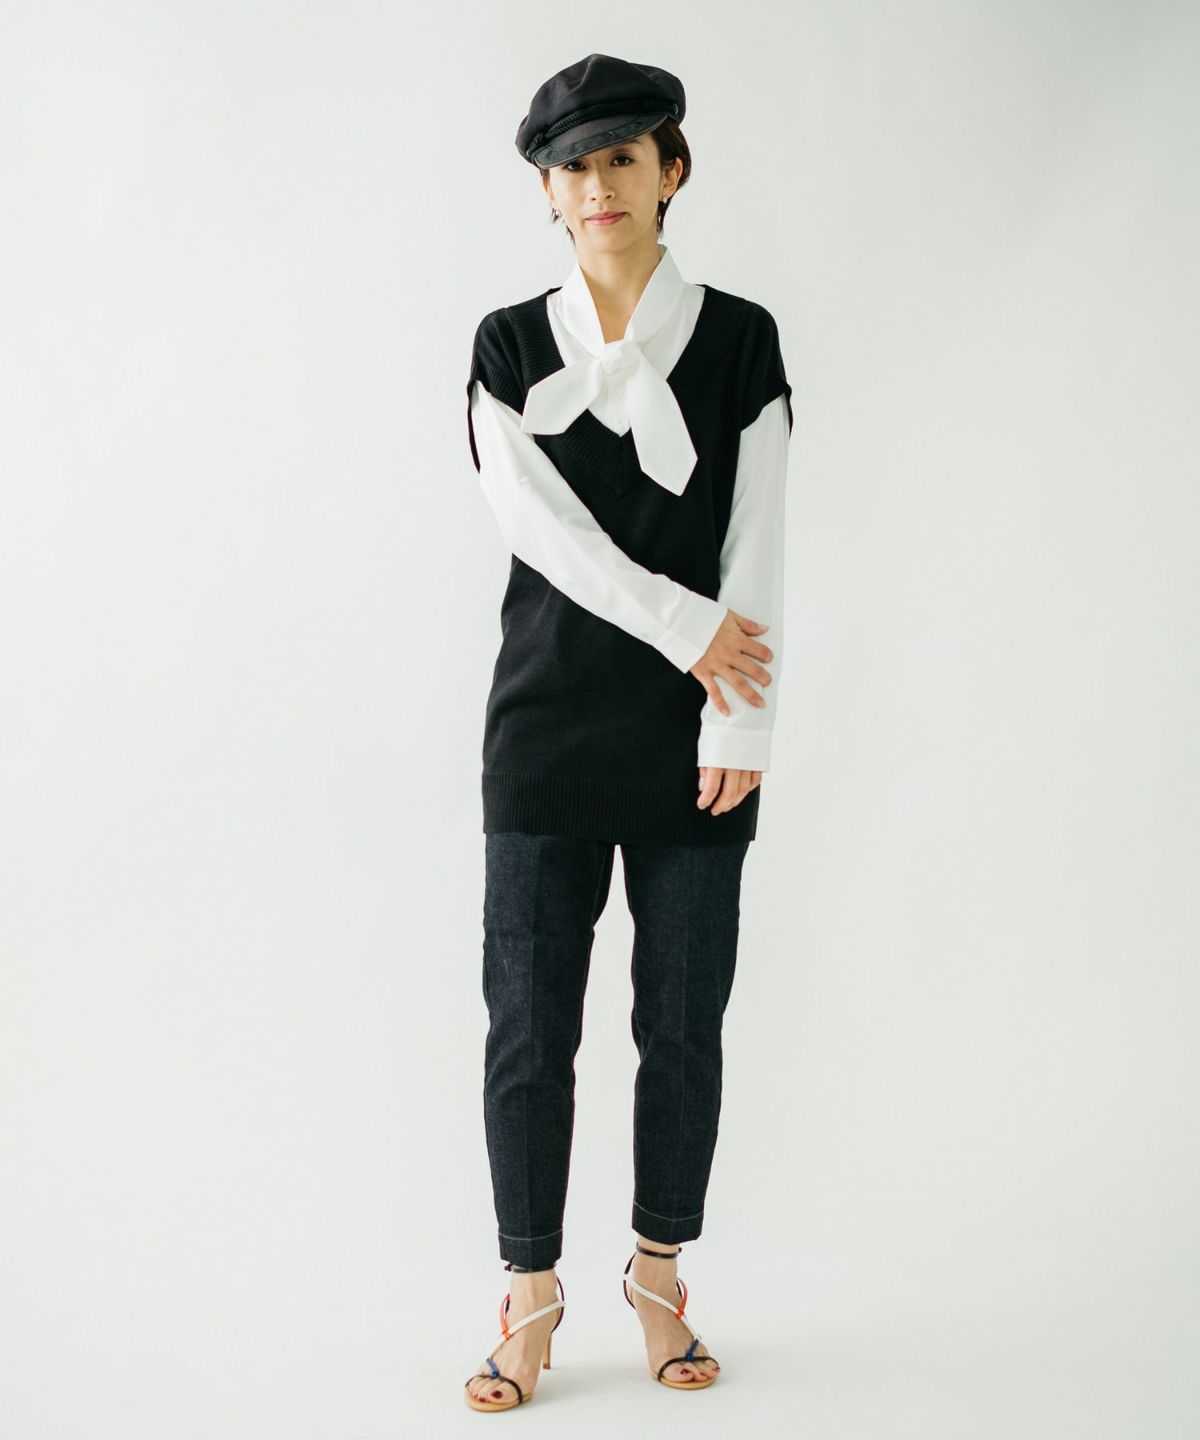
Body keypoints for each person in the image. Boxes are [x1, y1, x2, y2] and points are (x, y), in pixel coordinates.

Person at [462, 53, 794, 1412]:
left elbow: (759, 539)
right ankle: (529, 1292)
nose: (597, 185)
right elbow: (539, 527)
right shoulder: (507, 346)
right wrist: (686, 626)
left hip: (697, 737)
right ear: (547, 192)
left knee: (685, 1025)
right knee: (529, 1030)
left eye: (621, 157)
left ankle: (660, 1278)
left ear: (671, 171)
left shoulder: (742, 341)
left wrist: (742, 721)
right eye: (573, 166)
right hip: (544, 729)